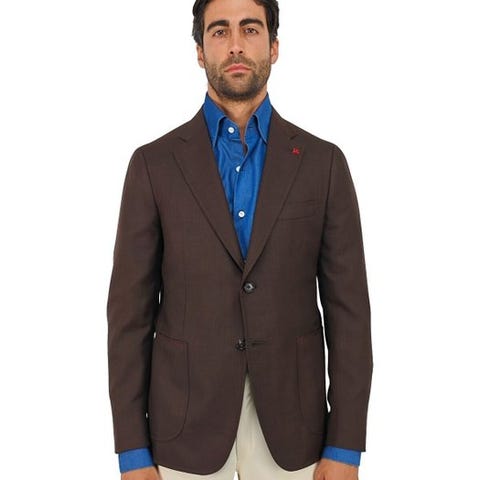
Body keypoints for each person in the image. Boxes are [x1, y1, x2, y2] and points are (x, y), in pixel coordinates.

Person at [106, 0, 373, 479]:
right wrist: (132, 452)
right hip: (183, 430)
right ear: (199, 50)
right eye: (219, 31)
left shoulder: (323, 164)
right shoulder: (153, 166)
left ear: (274, 46)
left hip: (296, 431)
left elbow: (349, 313)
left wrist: (346, 445)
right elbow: (129, 317)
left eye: (250, 30)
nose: (234, 45)